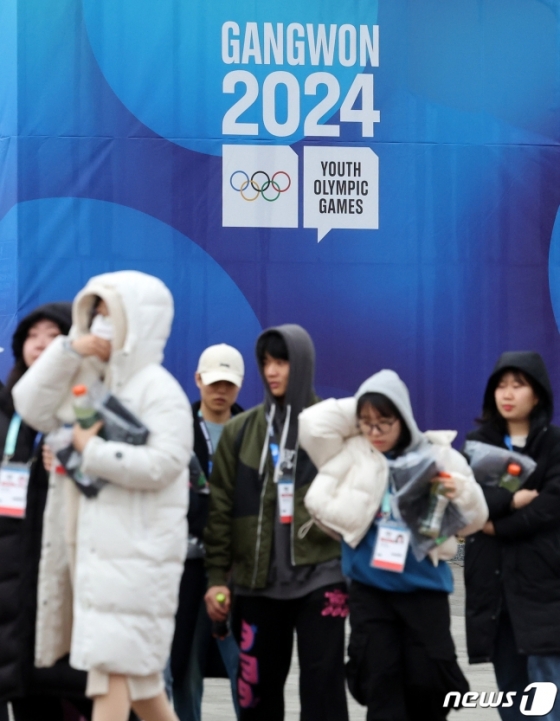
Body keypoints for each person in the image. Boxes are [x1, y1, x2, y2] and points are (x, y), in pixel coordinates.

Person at [11, 271, 192, 721]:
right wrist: (68, 349)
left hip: (135, 558)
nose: (102, 325)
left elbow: (164, 463)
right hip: (94, 556)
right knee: (142, 688)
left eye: (111, 315)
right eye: (95, 315)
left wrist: (92, 450)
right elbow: (30, 405)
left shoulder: (159, 390)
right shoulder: (94, 385)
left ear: (139, 321)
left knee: (110, 680)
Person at [299, 369, 488, 721]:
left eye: (384, 422)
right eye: (367, 423)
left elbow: (477, 518)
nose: (375, 432)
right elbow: (311, 423)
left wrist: (459, 490)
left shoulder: (438, 456)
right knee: (380, 689)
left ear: (403, 417)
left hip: (424, 593)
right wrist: (368, 399)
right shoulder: (354, 451)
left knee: (429, 688)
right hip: (371, 594)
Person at [204, 325, 349, 721]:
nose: (271, 371)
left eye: (281, 361)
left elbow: (361, 498)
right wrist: (217, 577)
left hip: (322, 577)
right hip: (257, 584)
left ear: (301, 365)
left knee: (324, 692)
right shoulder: (240, 431)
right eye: (266, 362)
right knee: (257, 696)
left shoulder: (332, 427)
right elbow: (219, 512)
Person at [0, 302, 95, 721]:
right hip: (11, 581)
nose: (40, 345)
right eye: (32, 336)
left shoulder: (86, 407)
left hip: (69, 575)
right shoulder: (6, 413)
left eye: (53, 335)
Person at [463, 352, 560, 721]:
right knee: (512, 701)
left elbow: (549, 508)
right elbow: (464, 501)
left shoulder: (554, 444)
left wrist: (492, 525)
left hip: (544, 590)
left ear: (537, 394)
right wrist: (511, 500)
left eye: (518, 385)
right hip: (495, 591)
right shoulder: (476, 444)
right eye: (501, 385)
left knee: (547, 700)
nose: (508, 393)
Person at [171, 344, 244, 721]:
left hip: (239, 568)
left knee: (246, 669)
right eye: (214, 382)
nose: (221, 391)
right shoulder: (175, 428)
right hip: (188, 564)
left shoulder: (254, 431)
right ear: (198, 379)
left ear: (240, 385)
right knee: (184, 667)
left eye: (229, 384)